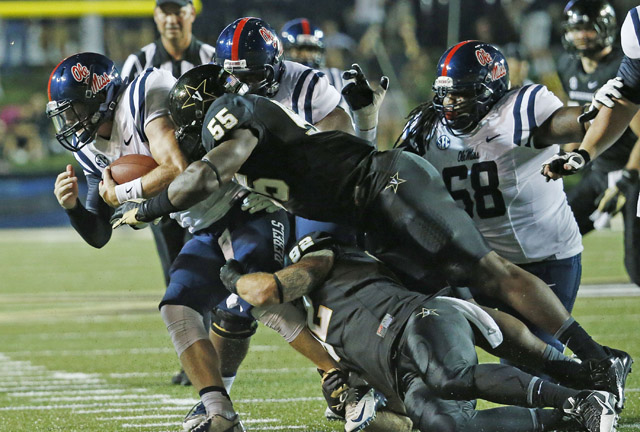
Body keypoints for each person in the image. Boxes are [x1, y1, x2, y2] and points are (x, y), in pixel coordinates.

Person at [109, 72, 632, 411]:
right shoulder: (246, 134)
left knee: (486, 272)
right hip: (367, 214)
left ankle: (594, 360)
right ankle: (571, 374)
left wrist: (144, 205)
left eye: (187, 124)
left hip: (386, 188)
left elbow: (200, 179)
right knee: (455, 305)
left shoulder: (236, 114)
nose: (185, 136)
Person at [162, 64, 384, 432]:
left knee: (289, 290)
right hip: (266, 208)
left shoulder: (301, 87)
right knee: (228, 308)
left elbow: (343, 154)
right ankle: (218, 405)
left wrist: (365, 122)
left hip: (314, 203)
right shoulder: (231, 114)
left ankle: (351, 380)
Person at [217, 231, 619, 432]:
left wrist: (239, 278)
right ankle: (568, 421)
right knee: (448, 426)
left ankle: (578, 399)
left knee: (450, 377)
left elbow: (279, 285)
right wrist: (352, 401)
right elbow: (392, 417)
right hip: (400, 371)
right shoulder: (318, 333)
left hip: (418, 319)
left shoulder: (329, 259)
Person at [395, 41, 584, 358]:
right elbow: (383, 176)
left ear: (491, 88)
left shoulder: (520, 110)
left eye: (463, 93)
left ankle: (597, 376)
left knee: (535, 360)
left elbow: (577, 122)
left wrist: (596, 121)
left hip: (544, 260)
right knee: (426, 337)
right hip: (481, 265)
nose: (451, 103)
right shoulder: (428, 128)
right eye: (446, 93)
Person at [121, 0, 215, 386]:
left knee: (215, 265)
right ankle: (195, 356)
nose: (172, 18)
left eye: (179, 9)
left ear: (193, 13)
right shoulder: (138, 61)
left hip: (206, 179)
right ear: (156, 16)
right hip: (162, 180)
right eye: (165, 10)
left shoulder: (211, 57)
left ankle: (213, 349)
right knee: (178, 270)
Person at [556, 0, 640, 286]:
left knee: (637, 266)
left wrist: (627, 178)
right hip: (598, 169)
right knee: (553, 234)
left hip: (632, 170)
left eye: (587, 28)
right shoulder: (567, 65)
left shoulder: (619, 66)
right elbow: (580, 123)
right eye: (575, 28)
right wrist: (567, 159)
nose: (581, 35)